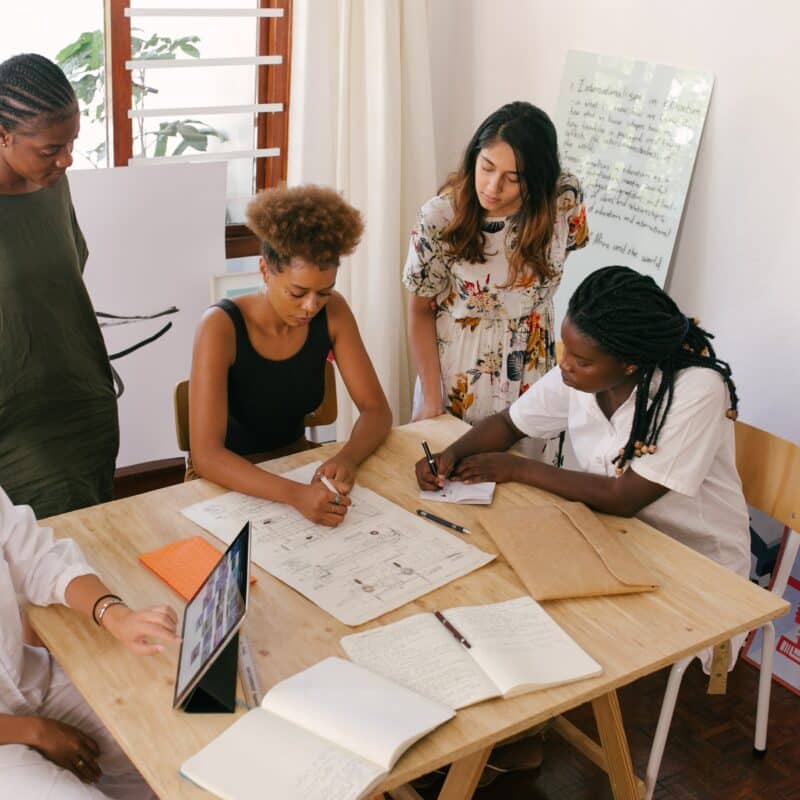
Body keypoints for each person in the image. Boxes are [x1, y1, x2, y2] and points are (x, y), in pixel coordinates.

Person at [416, 265, 751, 583]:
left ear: (630, 363)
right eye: (567, 352)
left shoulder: (696, 390)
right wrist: (452, 454)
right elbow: (509, 424)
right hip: (619, 540)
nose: (565, 366)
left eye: (581, 361)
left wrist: (517, 469)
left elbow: (624, 497)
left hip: (699, 566)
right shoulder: (580, 377)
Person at [189, 184, 392, 526]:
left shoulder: (334, 313)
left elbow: (376, 410)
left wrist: (348, 458)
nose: (311, 306)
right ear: (265, 270)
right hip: (226, 480)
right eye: (297, 293)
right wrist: (295, 495)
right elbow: (206, 456)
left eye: (323, 293)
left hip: (295, 466)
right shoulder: (220, 326)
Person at [403, 101, 588, 430]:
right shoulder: (440, 217)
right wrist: (432, 397)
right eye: (486, 167)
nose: (492, 186)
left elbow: (557, 260)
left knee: (527, 479)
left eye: (512, 178)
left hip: (534, 375)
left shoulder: (564, 200)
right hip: (459, 378)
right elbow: (419, 310)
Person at [0, 485, 179, 798]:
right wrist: (34, 731)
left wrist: (114, 614)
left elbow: (38, 560)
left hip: (26, 680)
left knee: (162, 741)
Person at [0, 53, 119, 518]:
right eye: (51, 149)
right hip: (15, 423)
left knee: (91, 545)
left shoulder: (52, 182)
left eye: (71, 143)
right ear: (3, 134)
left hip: (83, 400)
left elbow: (66, 275)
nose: (66, 159)